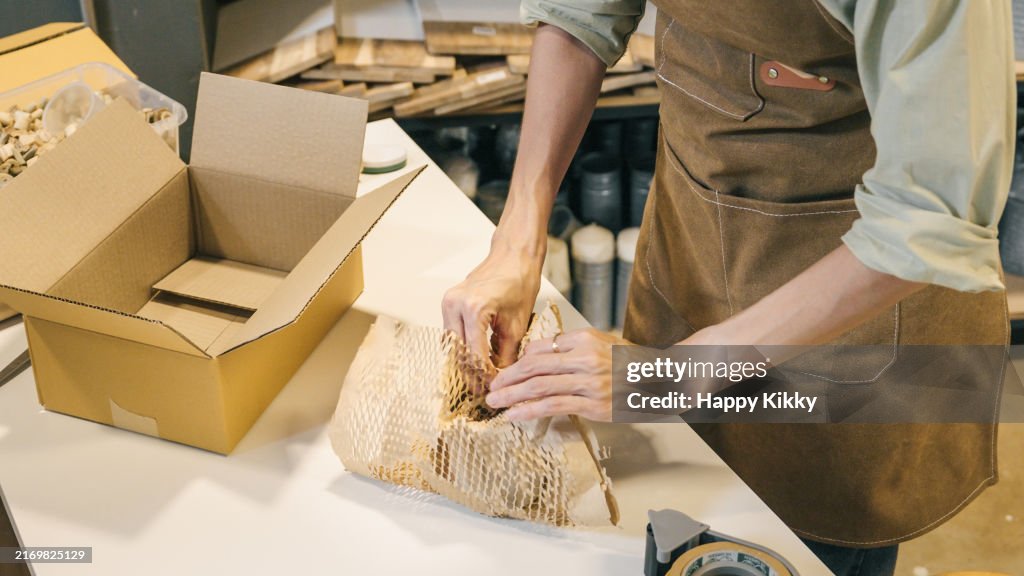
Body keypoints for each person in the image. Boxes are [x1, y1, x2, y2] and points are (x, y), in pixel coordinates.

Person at [441, 1, 1015, 574]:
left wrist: (674, 374)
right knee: (665, 530)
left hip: (851, 322)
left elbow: (929, 218)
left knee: (796, 547)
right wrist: (517, 243)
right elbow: (581, 16)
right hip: (692, 248)